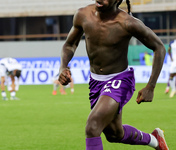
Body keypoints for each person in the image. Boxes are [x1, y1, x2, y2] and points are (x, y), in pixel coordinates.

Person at [58, 0, 168, 150]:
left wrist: (151, 86)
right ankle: (154, 140)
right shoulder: (82, 15)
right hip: (96, 82)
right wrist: (63, 66)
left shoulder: (128, 23)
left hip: (120, 80)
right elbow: (70, 44)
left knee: (93, 126)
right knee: (115, 134)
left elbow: (159, 47)